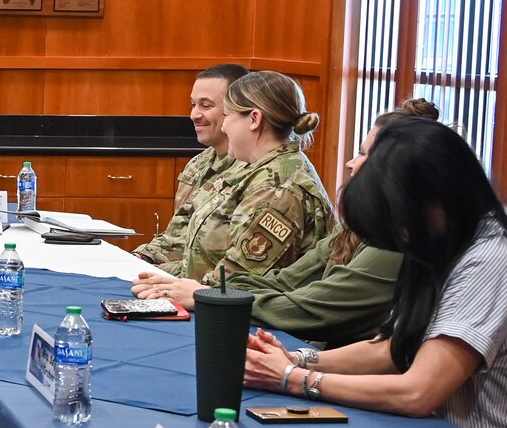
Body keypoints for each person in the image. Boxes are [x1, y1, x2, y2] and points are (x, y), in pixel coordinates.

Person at [244, 116, 507, 428]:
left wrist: (295, 380)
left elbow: (418, 392)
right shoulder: (443, 244)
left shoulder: (489, 262)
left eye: (397, 222)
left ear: (433, 200)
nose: (398, 236)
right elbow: (394, 348)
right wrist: (299, 360)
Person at [131, 99, 440, 347]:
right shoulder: (360, 226)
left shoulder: (396, 243)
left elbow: (311, 309)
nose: (351, 162)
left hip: (333, 362)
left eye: (364, 155)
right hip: (306, 345)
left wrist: (208, 296)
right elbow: (286, 280)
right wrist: (207, 290)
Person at [156, 71, 333, 283]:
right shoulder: (259, 170)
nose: (223, 126)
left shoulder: (278, 188)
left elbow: (239, 280)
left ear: (254, 119)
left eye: (228, 116)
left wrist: (182, 289)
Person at [133, 63, 248, 264]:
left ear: (236, 110)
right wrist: (141, 259)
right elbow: (179, 236)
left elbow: (227, 265)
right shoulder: (199, 163)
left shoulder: (254, 170)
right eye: (193, 104)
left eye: (206, 105)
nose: (194, 115)